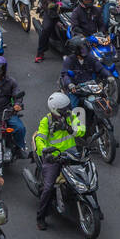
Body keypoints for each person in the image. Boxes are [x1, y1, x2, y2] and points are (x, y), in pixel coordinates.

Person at [33, 92, 87, 229]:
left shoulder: (71, 117)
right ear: (55, 110)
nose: (67, 111)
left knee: (86, 175)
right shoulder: (46, 121)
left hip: (71, 154)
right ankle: (41, 217)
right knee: (48, 187)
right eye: (64, 110)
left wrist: (70, 129)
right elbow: (39, 138)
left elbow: (82, 130)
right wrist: (45, 150)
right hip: (54, 156)